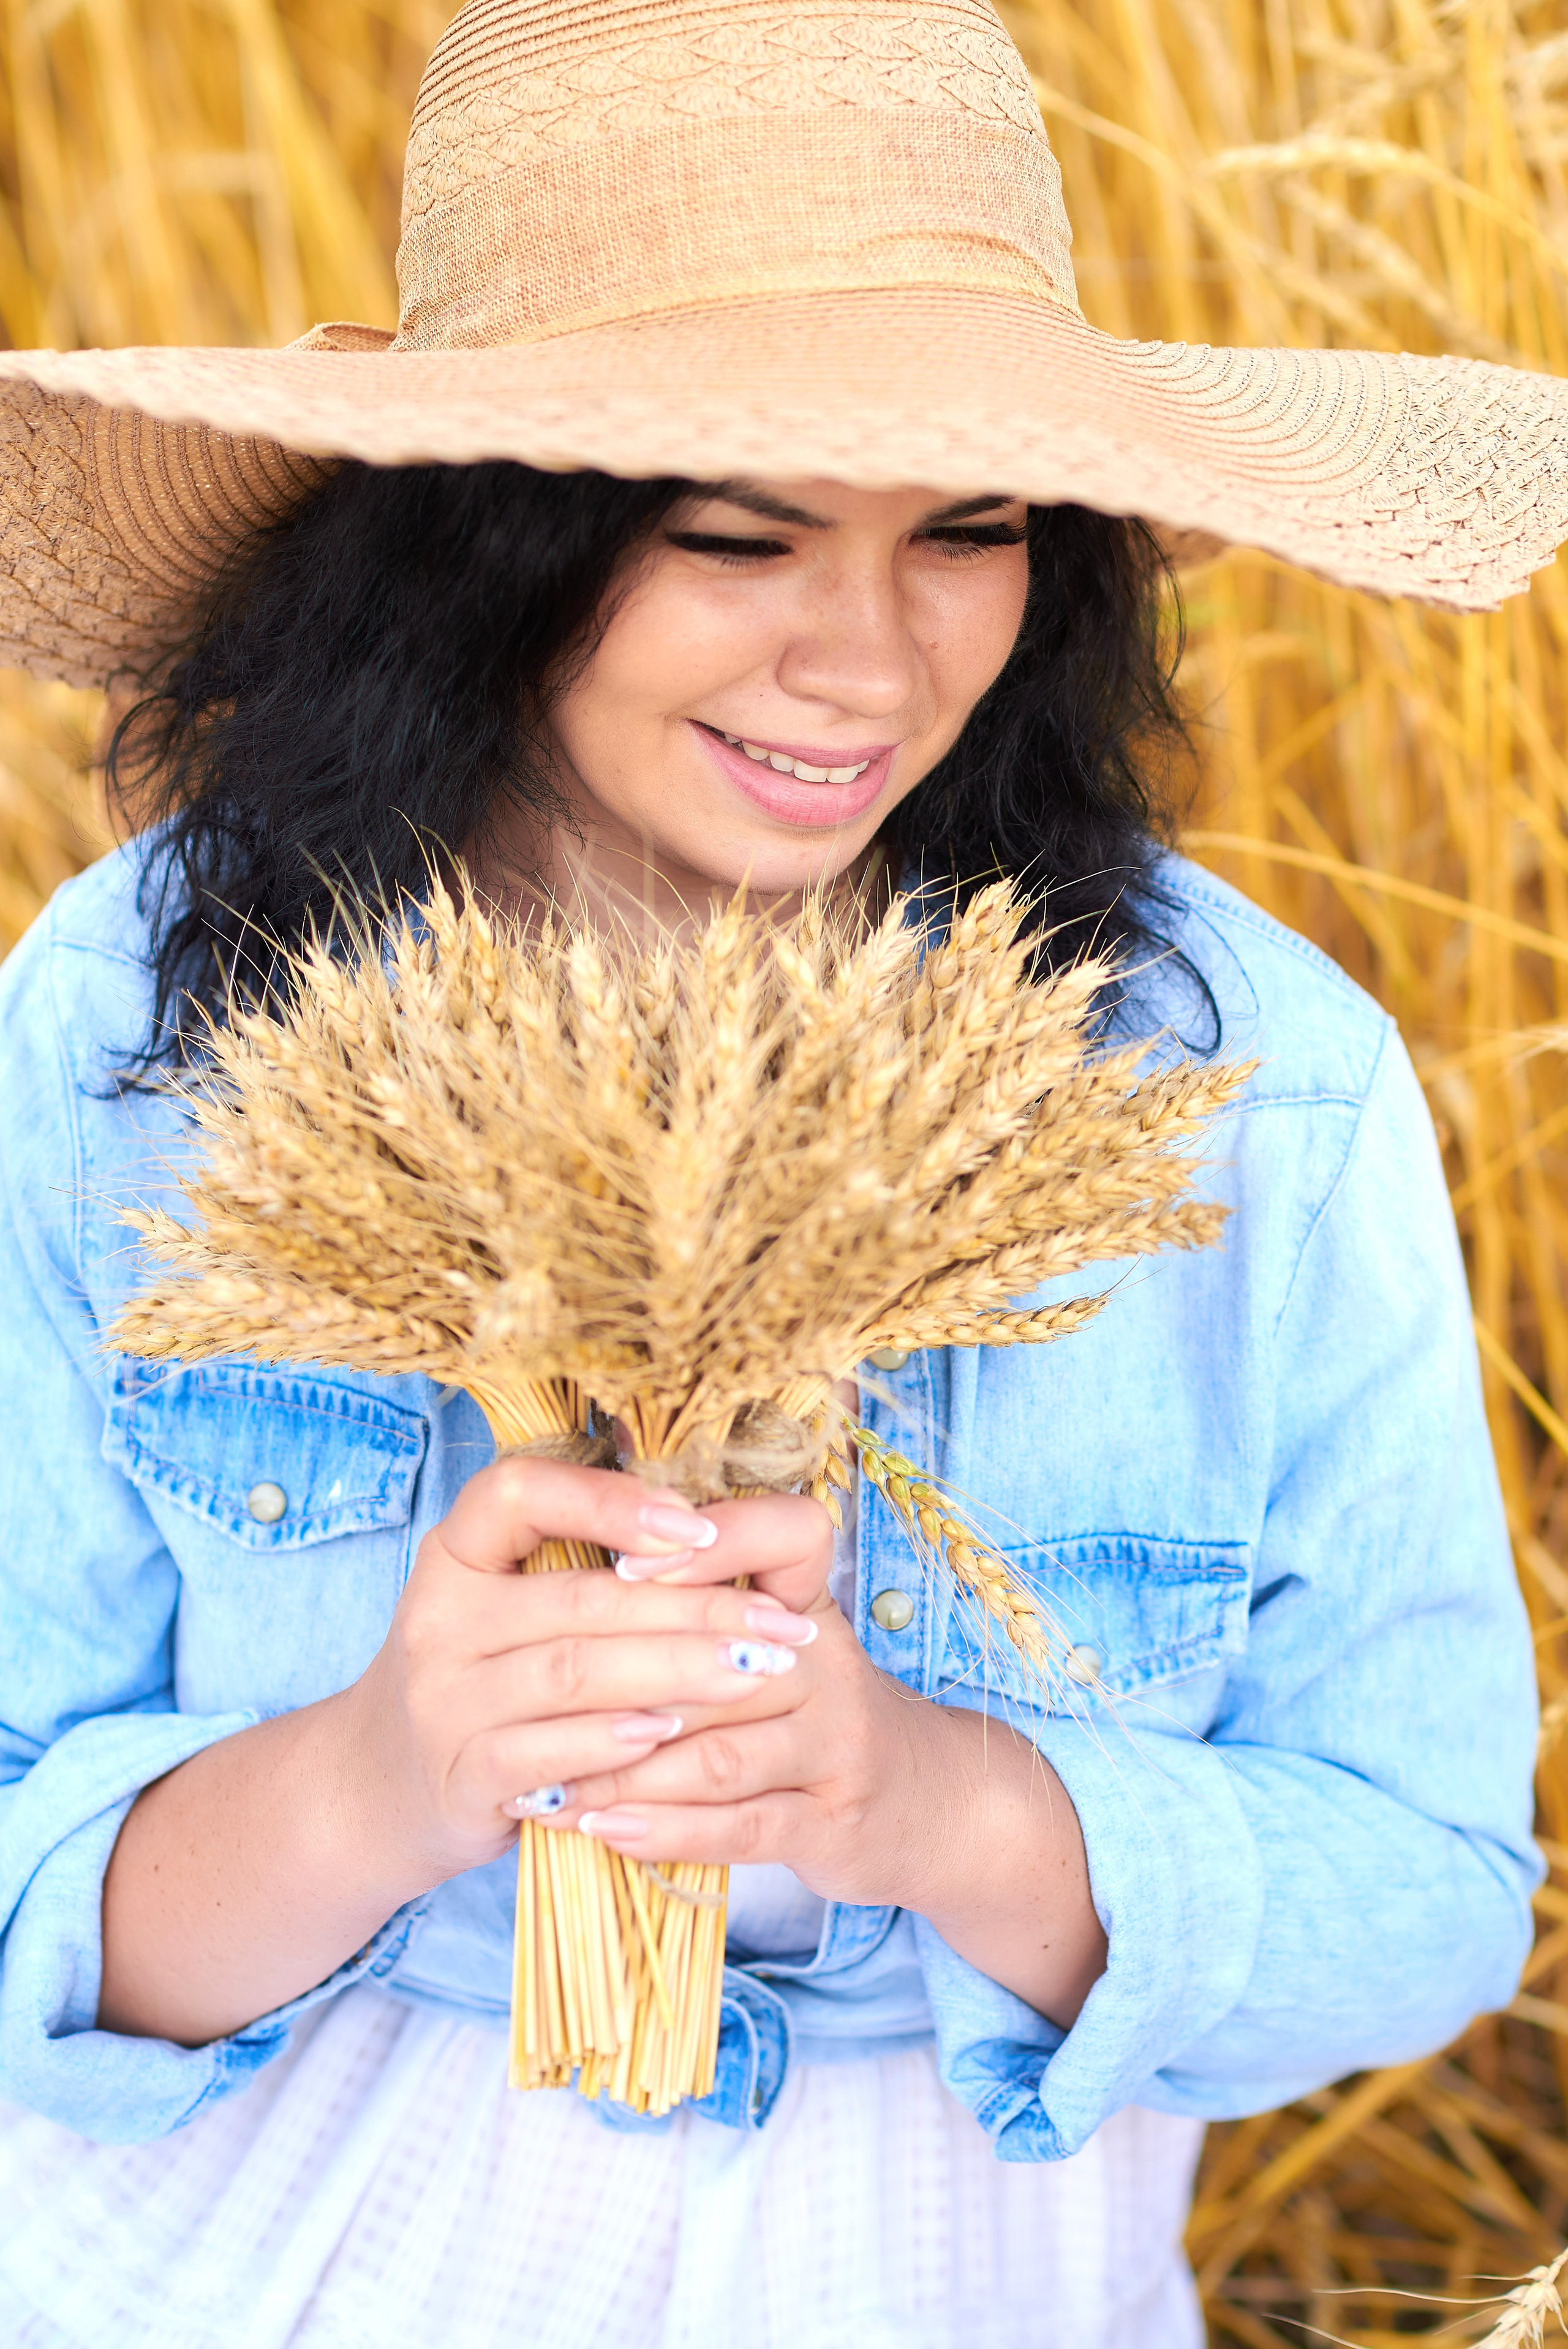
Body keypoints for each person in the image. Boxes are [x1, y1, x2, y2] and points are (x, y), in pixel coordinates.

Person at [0, 2, 1557, 2343]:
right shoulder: (141, 1019)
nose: (867, 658)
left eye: (975, 529)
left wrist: (933, 1804)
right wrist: (383, 1775)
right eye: (738, 532)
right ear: (478, 544)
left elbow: (1434, 1890)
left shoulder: (1256, 1091)